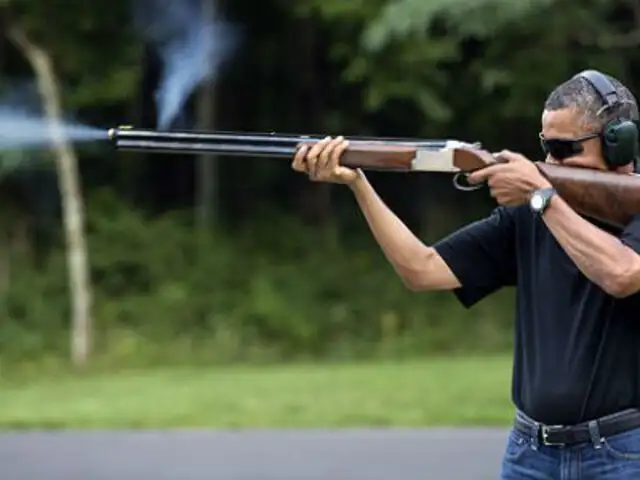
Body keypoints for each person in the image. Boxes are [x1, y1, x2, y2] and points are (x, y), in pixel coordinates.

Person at [291, 69, 640, 479]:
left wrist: (541, 197)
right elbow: (422, 270)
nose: (547, 163)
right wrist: (357, 183)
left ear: (620, 144)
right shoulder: (530, 213)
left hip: (620, 454)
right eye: (546, 147)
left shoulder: (551, 202)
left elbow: (623, 273)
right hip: (530, 454)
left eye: (564, 149)